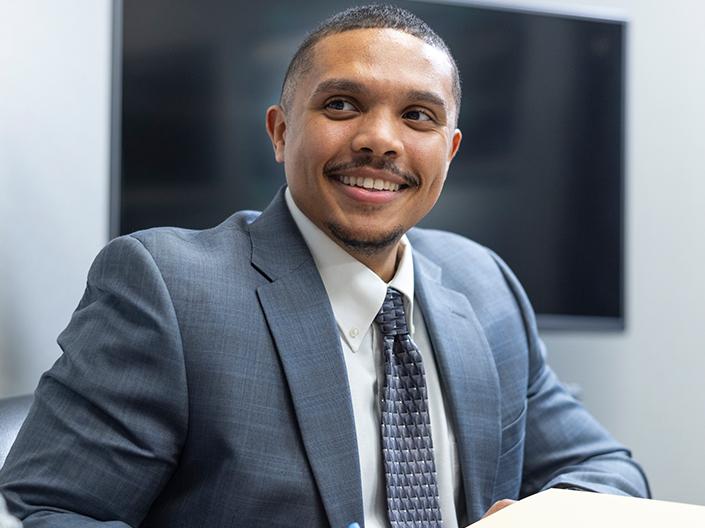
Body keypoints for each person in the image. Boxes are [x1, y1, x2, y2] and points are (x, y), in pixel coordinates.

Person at [0, 5, 648, 527]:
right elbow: (51, 508)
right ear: (281, 133)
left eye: (416, 116)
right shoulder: (167, 288)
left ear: (448, 150)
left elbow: (604, 469)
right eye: (341, 105)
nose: (380, 139)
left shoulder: (485, 285)